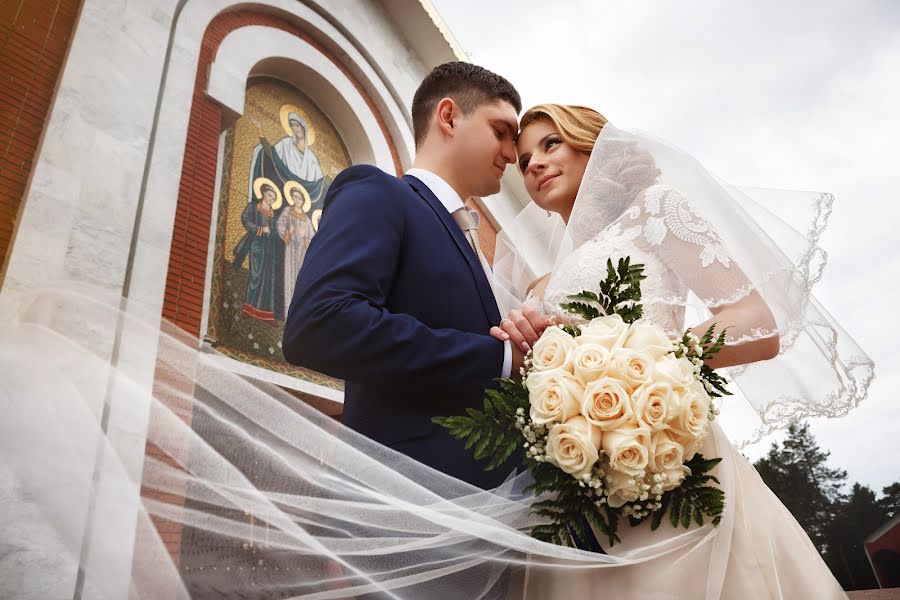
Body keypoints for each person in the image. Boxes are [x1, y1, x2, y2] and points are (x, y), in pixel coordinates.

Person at [489, 103, 872, 597]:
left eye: (551, 143)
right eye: (523, 160)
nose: (534, 164)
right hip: (577, 478)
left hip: (671, 452)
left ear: (592, 145)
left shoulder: (655, 211)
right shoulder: (541, 281)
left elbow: (756, 322)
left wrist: (641, 365)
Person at [281, 62, 543, 490]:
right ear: (449, 116)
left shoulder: (475, 238)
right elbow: (321, 324)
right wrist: (498, 360)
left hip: (488, 509)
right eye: (501, 132)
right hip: (407, 497)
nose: (512, 155)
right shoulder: (379, 193)